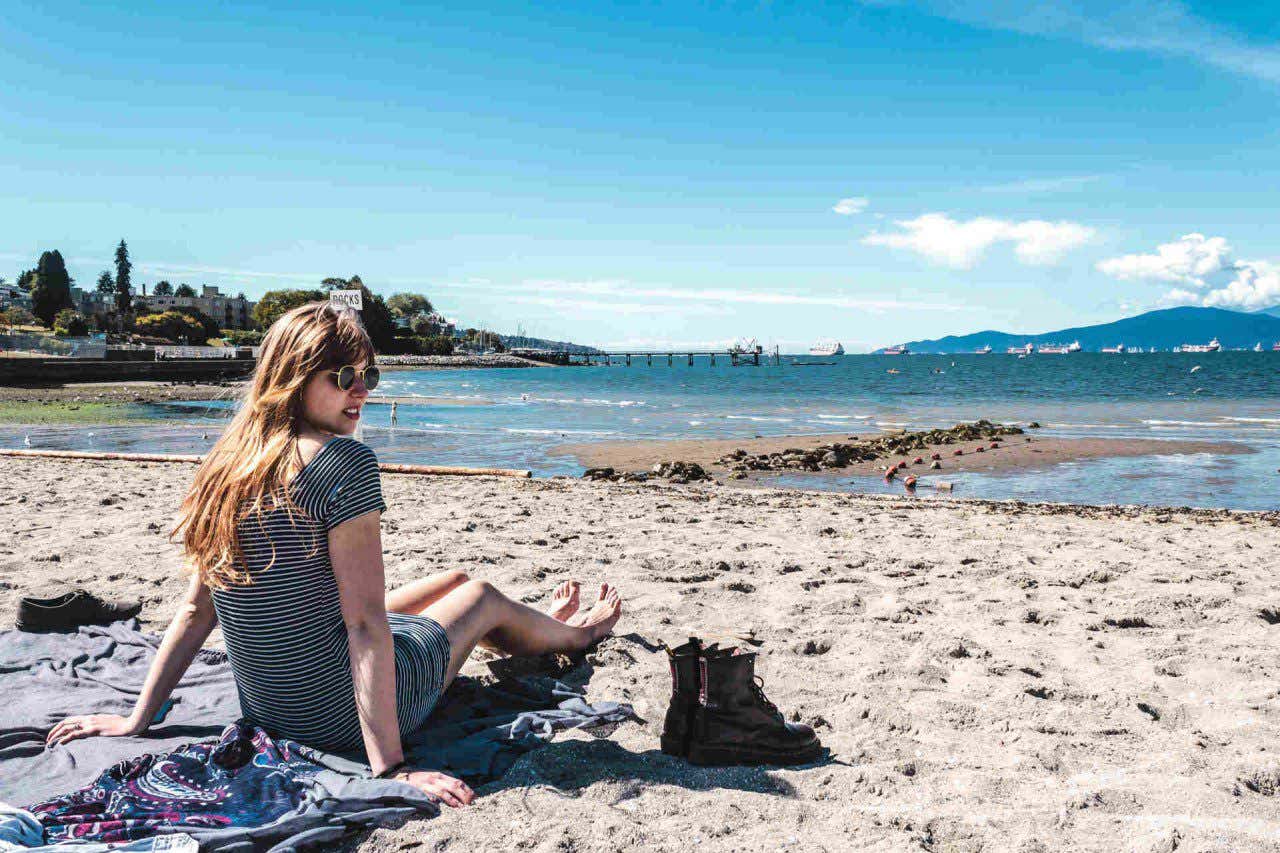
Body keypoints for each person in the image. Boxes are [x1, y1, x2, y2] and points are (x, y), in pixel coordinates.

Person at [46, 302, 622, 809]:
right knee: (480, 596)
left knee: (452, 578)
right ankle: (576, 637)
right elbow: (366, 624)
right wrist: (392, 769)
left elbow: (198, 613)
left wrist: (135, 721)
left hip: (272, 709)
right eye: (344, 375)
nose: (361, 389)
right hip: (340, 713)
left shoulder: (225, 466)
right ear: (295, 379)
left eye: (368, 374)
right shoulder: (343, 463)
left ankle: (541, 625)